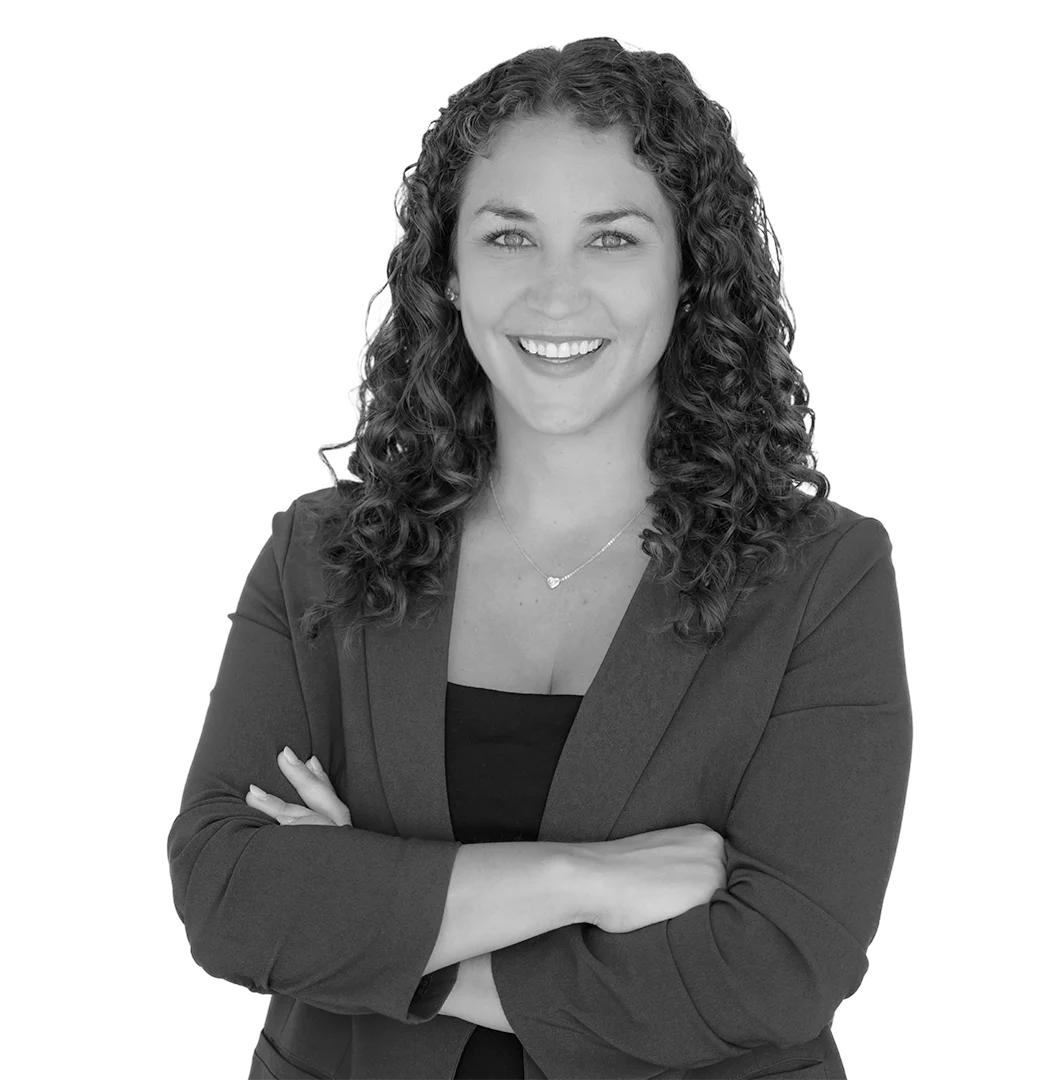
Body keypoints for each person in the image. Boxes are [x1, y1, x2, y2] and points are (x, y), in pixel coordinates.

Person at [168, 36, 912, 1080]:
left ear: (691, 269)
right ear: (450, 271)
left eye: (612, 240)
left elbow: (773, 970)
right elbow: (227, 896)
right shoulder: (318, 557)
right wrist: (583, 881)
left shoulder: (821, 581)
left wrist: (398, 945)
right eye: (510, 236)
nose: (556, 295)